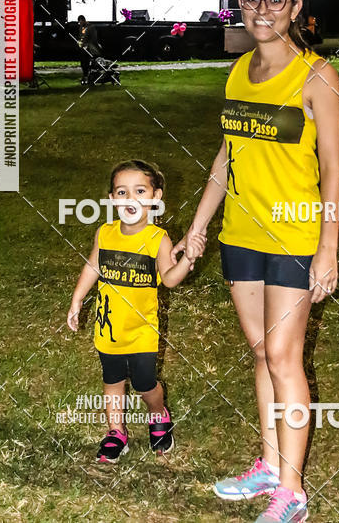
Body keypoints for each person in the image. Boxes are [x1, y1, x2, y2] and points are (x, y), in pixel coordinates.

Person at [173, 0, 339, 523]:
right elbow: (227, 156)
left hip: (293, 231)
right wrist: (198, 225)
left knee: (283, 356)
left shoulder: (317, 75)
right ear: (240, 4)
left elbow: (334, 170)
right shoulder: (239, 69)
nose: (262, 10)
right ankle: (270, 466)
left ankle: (291, 492)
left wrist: (326, 248)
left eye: (275, 0)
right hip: (240, 233)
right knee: (258, 352)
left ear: (296, 7)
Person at [67, 159, 205, 462]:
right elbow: (93, 265)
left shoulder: (157, 239)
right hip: (109, 329)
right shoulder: (105, 233)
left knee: (145, 383)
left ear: (155, 198)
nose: (130, 199)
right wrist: (78, 298)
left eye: (139, 191)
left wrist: (187, 261)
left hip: (143, 331)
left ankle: (158, 414)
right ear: (111, 199)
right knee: (112, 379)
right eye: (121, 192)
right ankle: (116, 431)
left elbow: (168, 279)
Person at [77, 15, 101, 83]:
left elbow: (94, 39)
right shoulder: (81, 28)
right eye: (79, 22)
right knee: (83, 63)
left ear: (83, 20)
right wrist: (80, 42)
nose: (80, 24)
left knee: (88, 63)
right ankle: (85, 76)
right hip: (83, 48)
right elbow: (81, 37)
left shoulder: (91, 27)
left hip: (90, 48)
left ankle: (89, 76)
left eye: (81, 22)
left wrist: (88, 45)